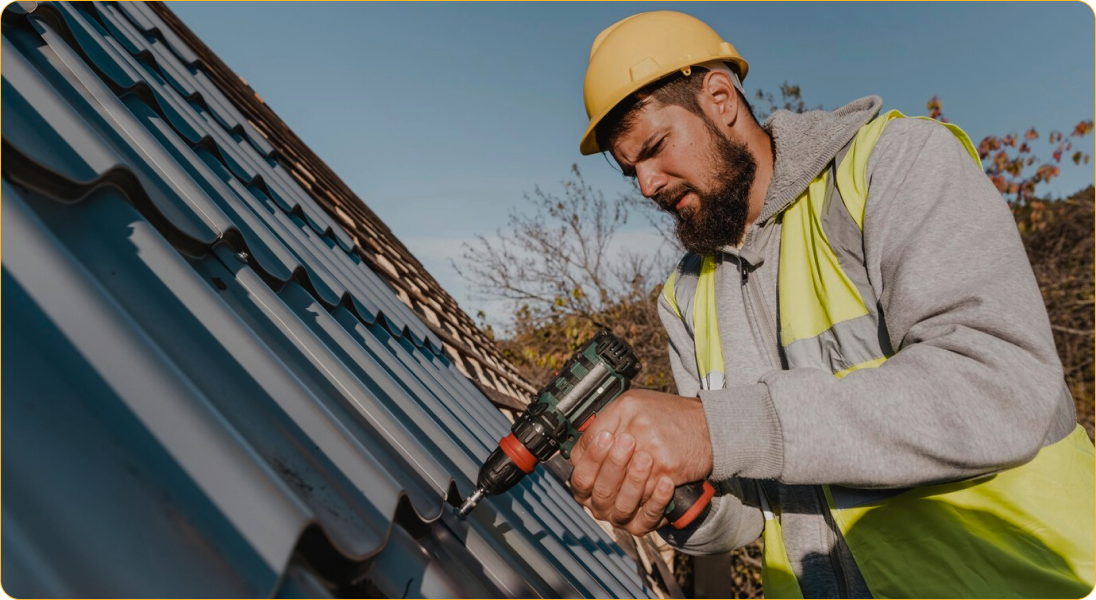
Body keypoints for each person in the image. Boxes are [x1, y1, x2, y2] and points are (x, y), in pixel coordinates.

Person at [567, 10, 1095, 598]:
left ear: (718, 97)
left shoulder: (893, 165)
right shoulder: (687, 295)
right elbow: (746, 512)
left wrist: (717, 428)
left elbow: (1001, 387)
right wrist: (663, 492)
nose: (646, 185)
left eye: (655, 147)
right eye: (629, 169)